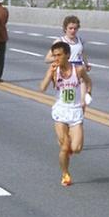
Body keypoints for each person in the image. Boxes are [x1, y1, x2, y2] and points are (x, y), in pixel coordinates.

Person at [39, 41, 92, 186]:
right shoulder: (54, 70)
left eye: (59, 55)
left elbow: (88, 82)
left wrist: (87, 95)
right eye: (54, 55)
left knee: (76, 148)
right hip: (60, 110)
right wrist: (49, 73)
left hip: (75, 111)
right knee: (64, 147)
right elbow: (42, 88)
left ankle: (68, 145)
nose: (56, 58)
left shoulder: (78, 70)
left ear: (67, 55)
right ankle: (65, 174)